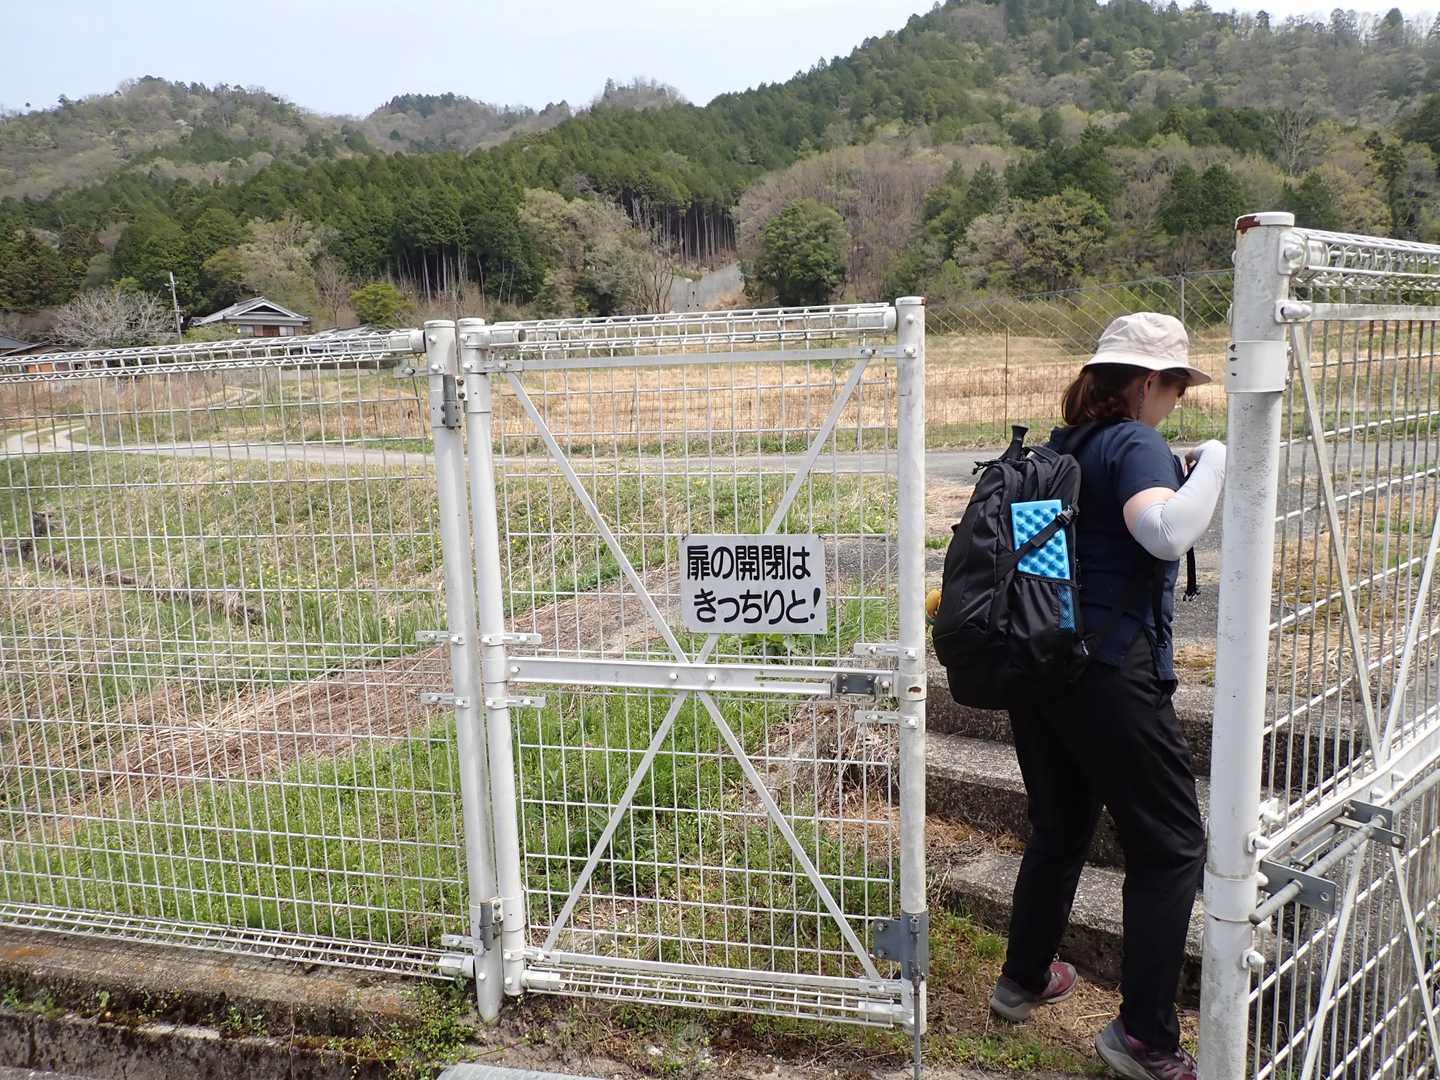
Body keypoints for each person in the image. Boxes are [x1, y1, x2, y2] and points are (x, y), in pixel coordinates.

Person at [986, 312, 1226, 1080]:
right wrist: (1216, 461)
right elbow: (1164, 533)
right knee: (1172, 845)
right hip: (1113, 676)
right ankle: (1144, 1037)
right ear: (1149, 382)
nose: (1177, 403)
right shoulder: (1135, 442)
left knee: (1059, 828)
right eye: (1176, 389)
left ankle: (1023, 979)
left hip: (1041, 667)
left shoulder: (1064, 447)